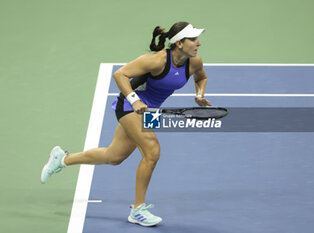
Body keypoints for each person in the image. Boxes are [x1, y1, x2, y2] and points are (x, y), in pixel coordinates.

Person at [41, 21, 211, 227]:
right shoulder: (155, 61)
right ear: (179, 43)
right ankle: (138, 209)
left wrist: (199, 95)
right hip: (130, 105)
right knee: (152, 151)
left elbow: (201, 78)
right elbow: (119, 74)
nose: (198, 43)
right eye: (193, 39)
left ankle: (62, 159)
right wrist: (134, 100)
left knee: (114, 156)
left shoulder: (194, 62)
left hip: (150, 111)